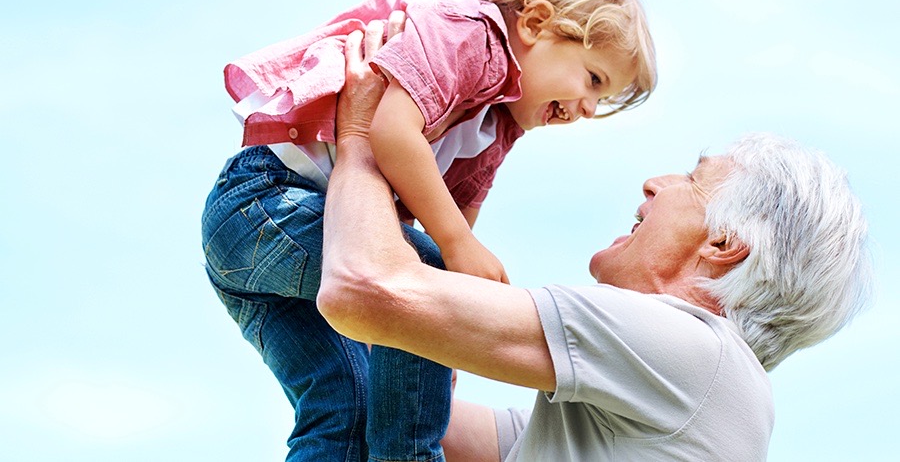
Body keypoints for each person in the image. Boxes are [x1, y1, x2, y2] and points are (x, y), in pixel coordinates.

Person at [317, 39, 873, 460]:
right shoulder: (681, 395)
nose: (655, 183)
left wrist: (364, 135)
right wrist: (425, 343)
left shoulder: (694, 352)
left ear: (725, 243)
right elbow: (413, 420)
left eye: (692, 179)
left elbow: (361, 288)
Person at [201, 0, 656, 460]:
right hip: (265, 206)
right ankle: (412, 454)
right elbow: (392, 134)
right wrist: (454, 263)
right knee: (422, 274)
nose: (591, 109)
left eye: (603, 97)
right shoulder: (470, 36)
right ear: (534, 23)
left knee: (345, 406)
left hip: (293, 244)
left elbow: (451, 218)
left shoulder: (501, 127)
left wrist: (448, 335)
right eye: (593, 79)